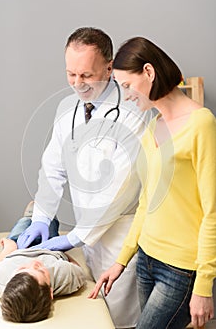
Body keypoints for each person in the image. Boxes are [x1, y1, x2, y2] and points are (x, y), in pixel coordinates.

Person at [17, 27, 153, 328]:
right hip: (87, 233)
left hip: (120, 234)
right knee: (91, 313)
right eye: (71, 74)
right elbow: (52, 167)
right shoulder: (68, 109)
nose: (77, 84)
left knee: (119, 318)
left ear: (109, 67)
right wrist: (41, 217)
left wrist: (76, 236)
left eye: (86, 76)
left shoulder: (133, 110)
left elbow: (121, 187)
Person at [89, 36, 216, 329]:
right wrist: (122, 261)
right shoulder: (152, 127)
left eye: (128, 86)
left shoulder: (202, 124)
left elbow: (212, 211)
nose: (127, 95)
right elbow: (147, 202)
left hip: (181, 270)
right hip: (146, 259)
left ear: (148, 72)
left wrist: (204, 285)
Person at [0, 209, 86, 323]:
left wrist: (8, 249)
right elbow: (78, 269)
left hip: (19, 247)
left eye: (23, 268)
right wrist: (62, 252)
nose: (34, 263)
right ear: (51, 293)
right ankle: (40, 211)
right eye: (41, 271)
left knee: (22, 226)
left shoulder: (0, 280)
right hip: (49, 248)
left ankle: (29, 216)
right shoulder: (63, 277)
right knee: (49, 219)